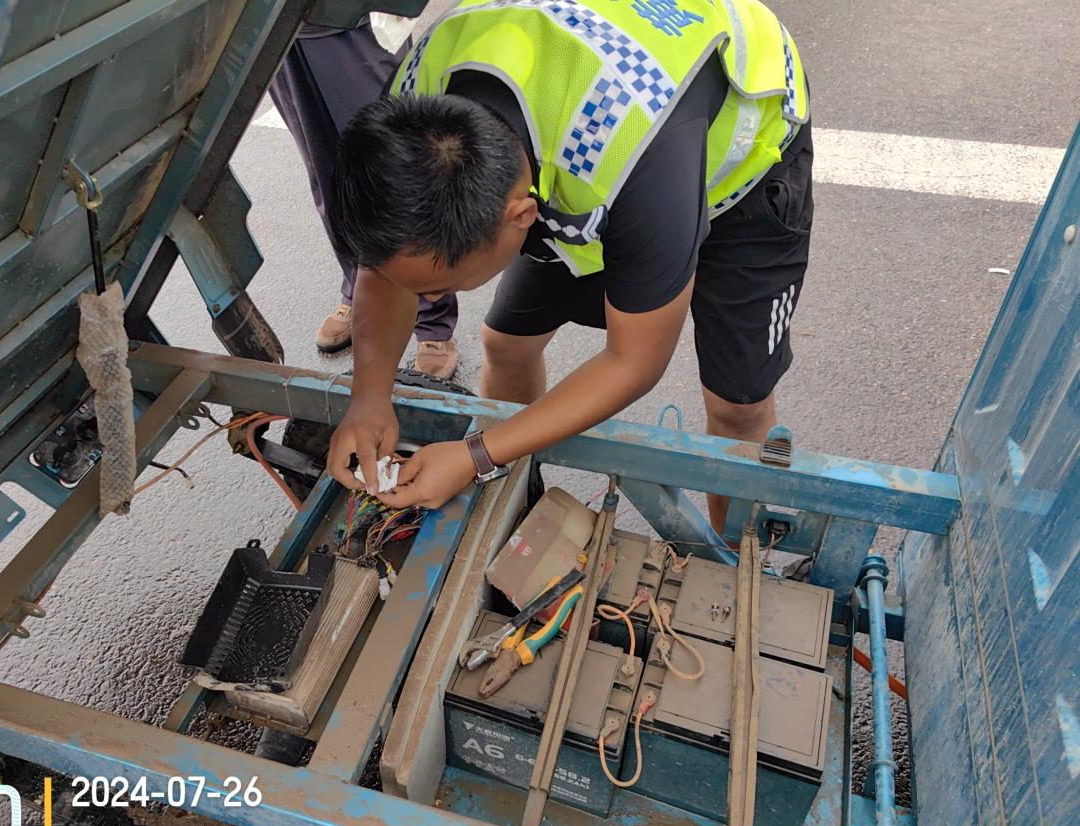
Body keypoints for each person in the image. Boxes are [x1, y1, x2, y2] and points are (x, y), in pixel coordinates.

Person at [323, 0, 812, 533]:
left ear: (523, 217)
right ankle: (510, 517)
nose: (424, 302)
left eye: (441, 287)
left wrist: (474, 455)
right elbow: (386, 268)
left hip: (742, 162)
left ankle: (735, 568)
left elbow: (633, 363)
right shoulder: (412, 112)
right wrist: (369, 399)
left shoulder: (637, 170)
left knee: (736, 408)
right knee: (506, 345)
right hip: (588, 137)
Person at [267, 16, 461, 379]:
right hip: (278, 27)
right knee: (327, 176)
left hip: (354, 25)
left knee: (394, 171)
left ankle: (431, 318)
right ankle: (357, 287)